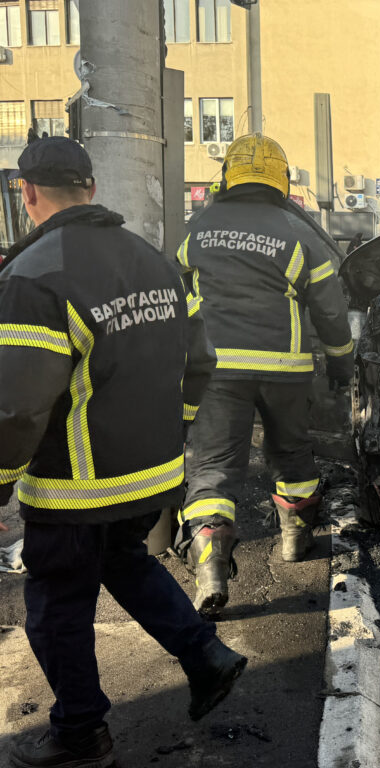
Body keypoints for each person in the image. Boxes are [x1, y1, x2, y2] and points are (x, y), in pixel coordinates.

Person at [0, 137, 247, 768]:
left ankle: (82, 735)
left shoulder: (33, 277)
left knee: (57, 609)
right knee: (126, 563)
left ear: (28, 195)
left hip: (75, 487)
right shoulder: (155, 261)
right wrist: (172, 431)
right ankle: (206, 656)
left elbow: (18, 408)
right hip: (153, 477)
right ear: (90, 188)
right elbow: (200, 363)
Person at [174, 133, 353, 617]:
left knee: (212, 466)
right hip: (285, 368)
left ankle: (210, 561)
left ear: (227, 177)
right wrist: (341, 360)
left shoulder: (201, 227)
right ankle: (295, 539)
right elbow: (331, 310)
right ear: (282, 180)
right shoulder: (297, 233)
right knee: (290, 451)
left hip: (215, 369)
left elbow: (177, 293)